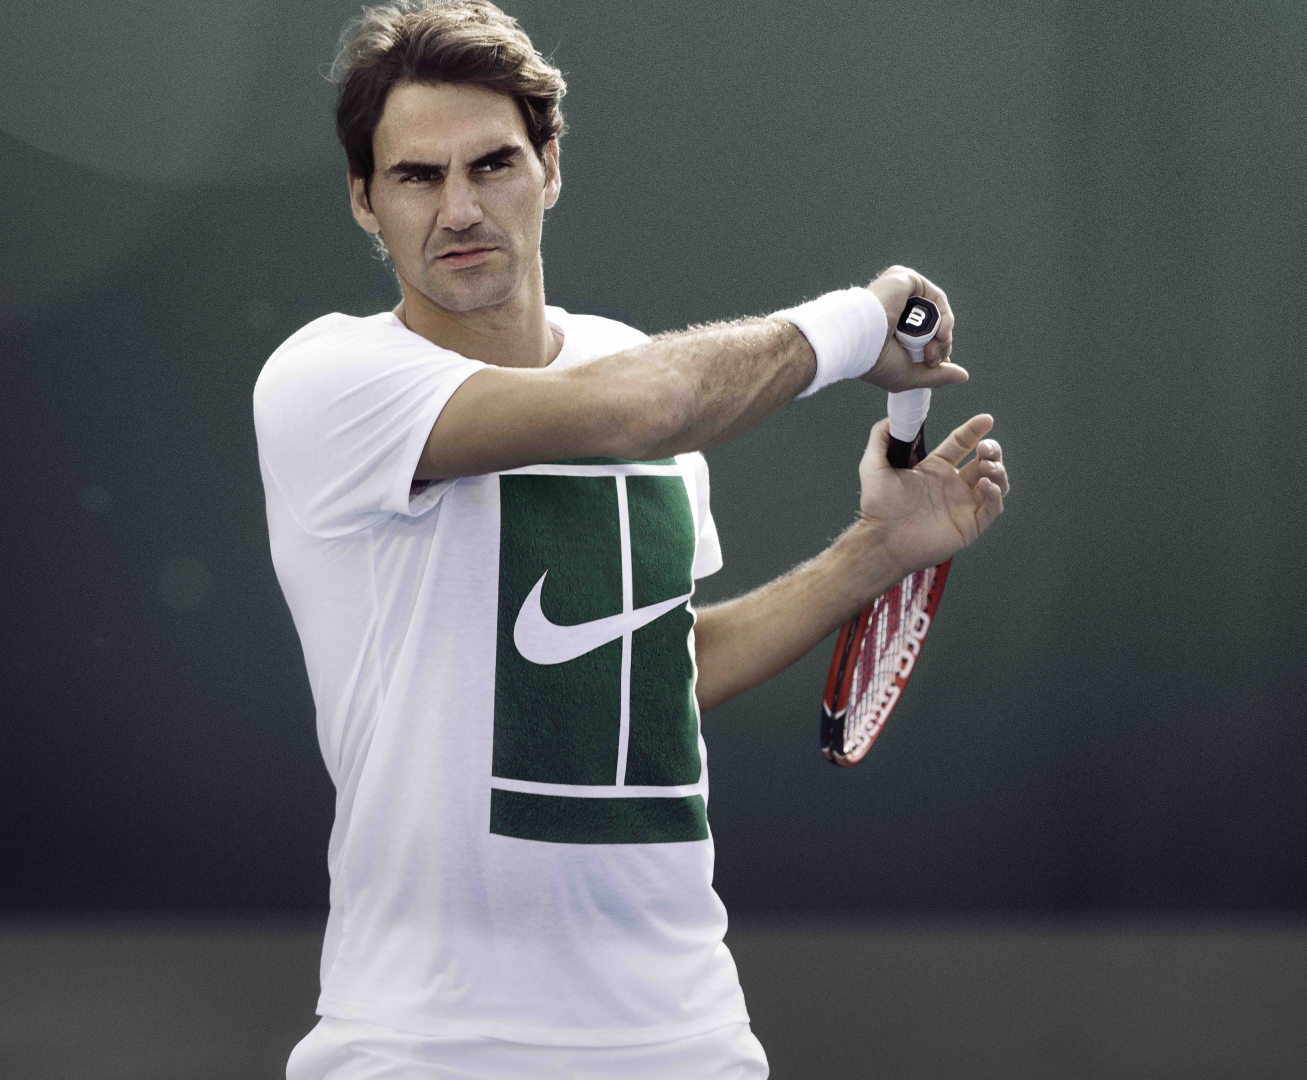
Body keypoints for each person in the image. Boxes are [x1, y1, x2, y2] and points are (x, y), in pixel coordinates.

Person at [253, 2, 1009, 1075]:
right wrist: (857, 322)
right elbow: (645, 407)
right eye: (417, 177)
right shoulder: (329, 382)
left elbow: (660, 665)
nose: (460, 208)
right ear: (363, 202)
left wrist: (877, 549)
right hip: (424, 1046)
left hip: (685, 1037)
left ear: (549, 166)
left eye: (494, 165)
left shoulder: (628, 367)